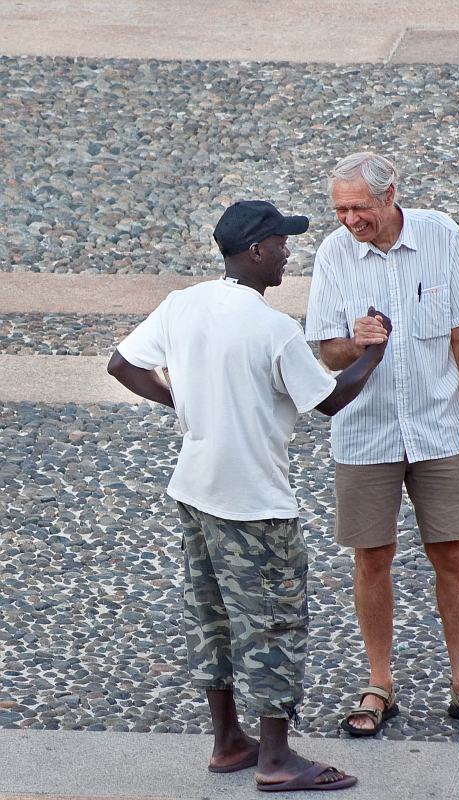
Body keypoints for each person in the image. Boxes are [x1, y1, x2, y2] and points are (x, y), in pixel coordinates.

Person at [108, 199, 391, 792]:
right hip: (255, 504)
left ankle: (228, 743)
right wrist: (373, 353)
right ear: (256, 251)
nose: (289, 252)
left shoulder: (183, 303)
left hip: (194, 489)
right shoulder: (272, 328)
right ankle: (277, 759)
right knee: (273, 625)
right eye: (282, 244)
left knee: (211, 618)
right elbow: (331, 399)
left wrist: (184, 404)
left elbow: (122, 364)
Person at [305, 153, 459, 737]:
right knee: (371, 557)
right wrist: (356, 342)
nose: (350, 220)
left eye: (360, 207)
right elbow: (327, 353)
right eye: (341, 209)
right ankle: (380, 683)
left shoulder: (439, 233)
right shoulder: (332, 254)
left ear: (390, 195)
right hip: (365, 431)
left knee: (451, 554)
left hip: (437, 427)